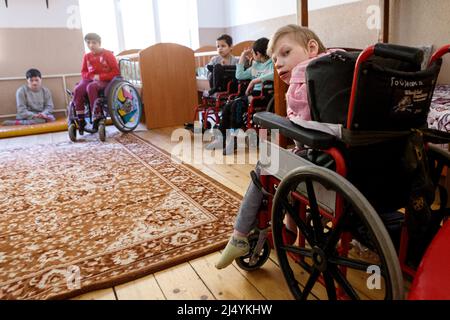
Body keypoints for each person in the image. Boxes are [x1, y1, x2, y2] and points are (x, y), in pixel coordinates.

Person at [215, 25, 338, 269]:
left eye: (285, 53)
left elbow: (304, 131)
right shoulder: (340, 67)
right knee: (289, 158)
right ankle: (291, 228)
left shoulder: (305, 79)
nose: (278, 63)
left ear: (312, 48)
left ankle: (240, 234)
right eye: (274, 59)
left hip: (327, 170)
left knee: (269, 161)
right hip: (355, 163)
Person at [206, 37, 274, 155]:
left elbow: (274, 75)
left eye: (253, 52)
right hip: (251, 95)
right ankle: (220, 139)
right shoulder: (255, 65)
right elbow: (239, 75)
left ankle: (234, 140)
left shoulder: (271, 64)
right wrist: (242, 58)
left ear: (258, 53)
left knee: (236, 106)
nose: (252, 55)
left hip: (263, 96)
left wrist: (255, 81)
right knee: (228, 106)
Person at [72, 33, 120, 130]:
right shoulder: (87, 56)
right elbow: (83, 72)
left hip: (105, 80)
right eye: (88, 43)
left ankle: (97, 116)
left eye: (94, 43)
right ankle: (81, 119)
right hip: (89, 79)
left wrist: (99, 77)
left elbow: (115, 72)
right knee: (78, 89)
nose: (91, 45)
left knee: (91, 87)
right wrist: (91, 76)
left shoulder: (108, 54)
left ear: (99, 43)